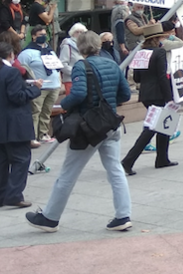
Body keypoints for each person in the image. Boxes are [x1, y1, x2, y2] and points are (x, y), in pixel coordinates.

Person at [26, 31, 133, 233]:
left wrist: (63, 106)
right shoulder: (111, 63)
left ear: (80, 48)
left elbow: (78, 93)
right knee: (115, 170)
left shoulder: (81, 66)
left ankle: (50, 217)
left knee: (68, 173)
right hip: (110, 123)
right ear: (99, 45)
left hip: (88, 128)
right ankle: (123, 215)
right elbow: (125, 93)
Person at [121, 23, 179, 175]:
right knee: (151, 128)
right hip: (158, 94)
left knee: (163, 125)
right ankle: (128, 161)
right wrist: (169, 98)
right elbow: (162, 76)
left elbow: (137, 77)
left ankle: (162, 158)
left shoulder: (141, 53)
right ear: (158, 38)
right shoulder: (159, 52)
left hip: (146, 93)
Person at [0, 42, 42, 209]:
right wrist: (36, 89)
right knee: (21, 159)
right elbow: (17, 97)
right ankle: (14, 194)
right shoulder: (11, 73)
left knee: (2, 161)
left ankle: (2, 194)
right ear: (10, 54)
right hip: (15, 124)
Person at [18, 26, 62, 146]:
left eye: (44, 34)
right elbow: (22, 70)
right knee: (35, 112)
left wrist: (59, 81)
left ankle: (43, 134)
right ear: (33, 36)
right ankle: (32, 137)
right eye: (40, 34)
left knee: (46, 112)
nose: (43, 36)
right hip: (38, 87)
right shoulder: (27, 53)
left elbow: (57, 68)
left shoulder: (50, 51)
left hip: (53, 86)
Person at [59, 23, 87, 90]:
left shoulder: (86, 46)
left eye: (82, 32)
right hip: (71, 80)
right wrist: (76, 72)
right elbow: (62, 64)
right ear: (72, 33)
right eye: (77, 32)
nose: (79, 34)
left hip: (85, 79)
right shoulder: (67, 46)